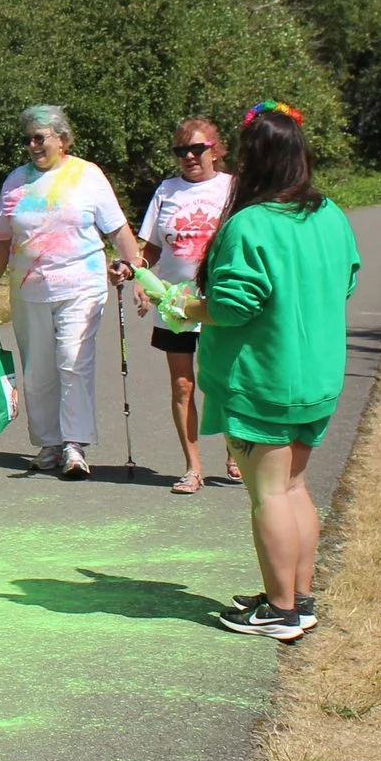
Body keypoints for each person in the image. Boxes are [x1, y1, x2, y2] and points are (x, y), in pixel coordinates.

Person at [180, 101, 361, 643]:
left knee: (269, 495)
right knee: (294, 485)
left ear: (252, 160)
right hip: (318, 379)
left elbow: (233, 306)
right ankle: (298, 598)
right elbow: (347, 281)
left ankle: (281, 609)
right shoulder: (330, 214)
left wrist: (188, 309)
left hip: (262, 381)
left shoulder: (248, 225)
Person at [0, 104, 144, 480]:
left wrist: (138, 274)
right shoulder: (16, 181)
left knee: (72, 359)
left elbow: (117, 230)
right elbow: (1, 241)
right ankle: (49, 442)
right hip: (28, 290)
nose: (33, 145)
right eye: (28, 139)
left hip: (80, 285)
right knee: (37, 371)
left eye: (41, 138)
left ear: (62, 139)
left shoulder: (88, 176)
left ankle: (74, 444)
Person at [128, 118, 237, 495]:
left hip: (220, 300)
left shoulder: (233, 188)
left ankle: (234, 450)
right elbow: (151, 249)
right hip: (174, 304)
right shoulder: (167, 191)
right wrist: (140, 280)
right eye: (181, 151)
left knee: (221, 382)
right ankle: (193, 468)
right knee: (182, 385)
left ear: (215, 149)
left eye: (197, 149)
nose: (190, 157)